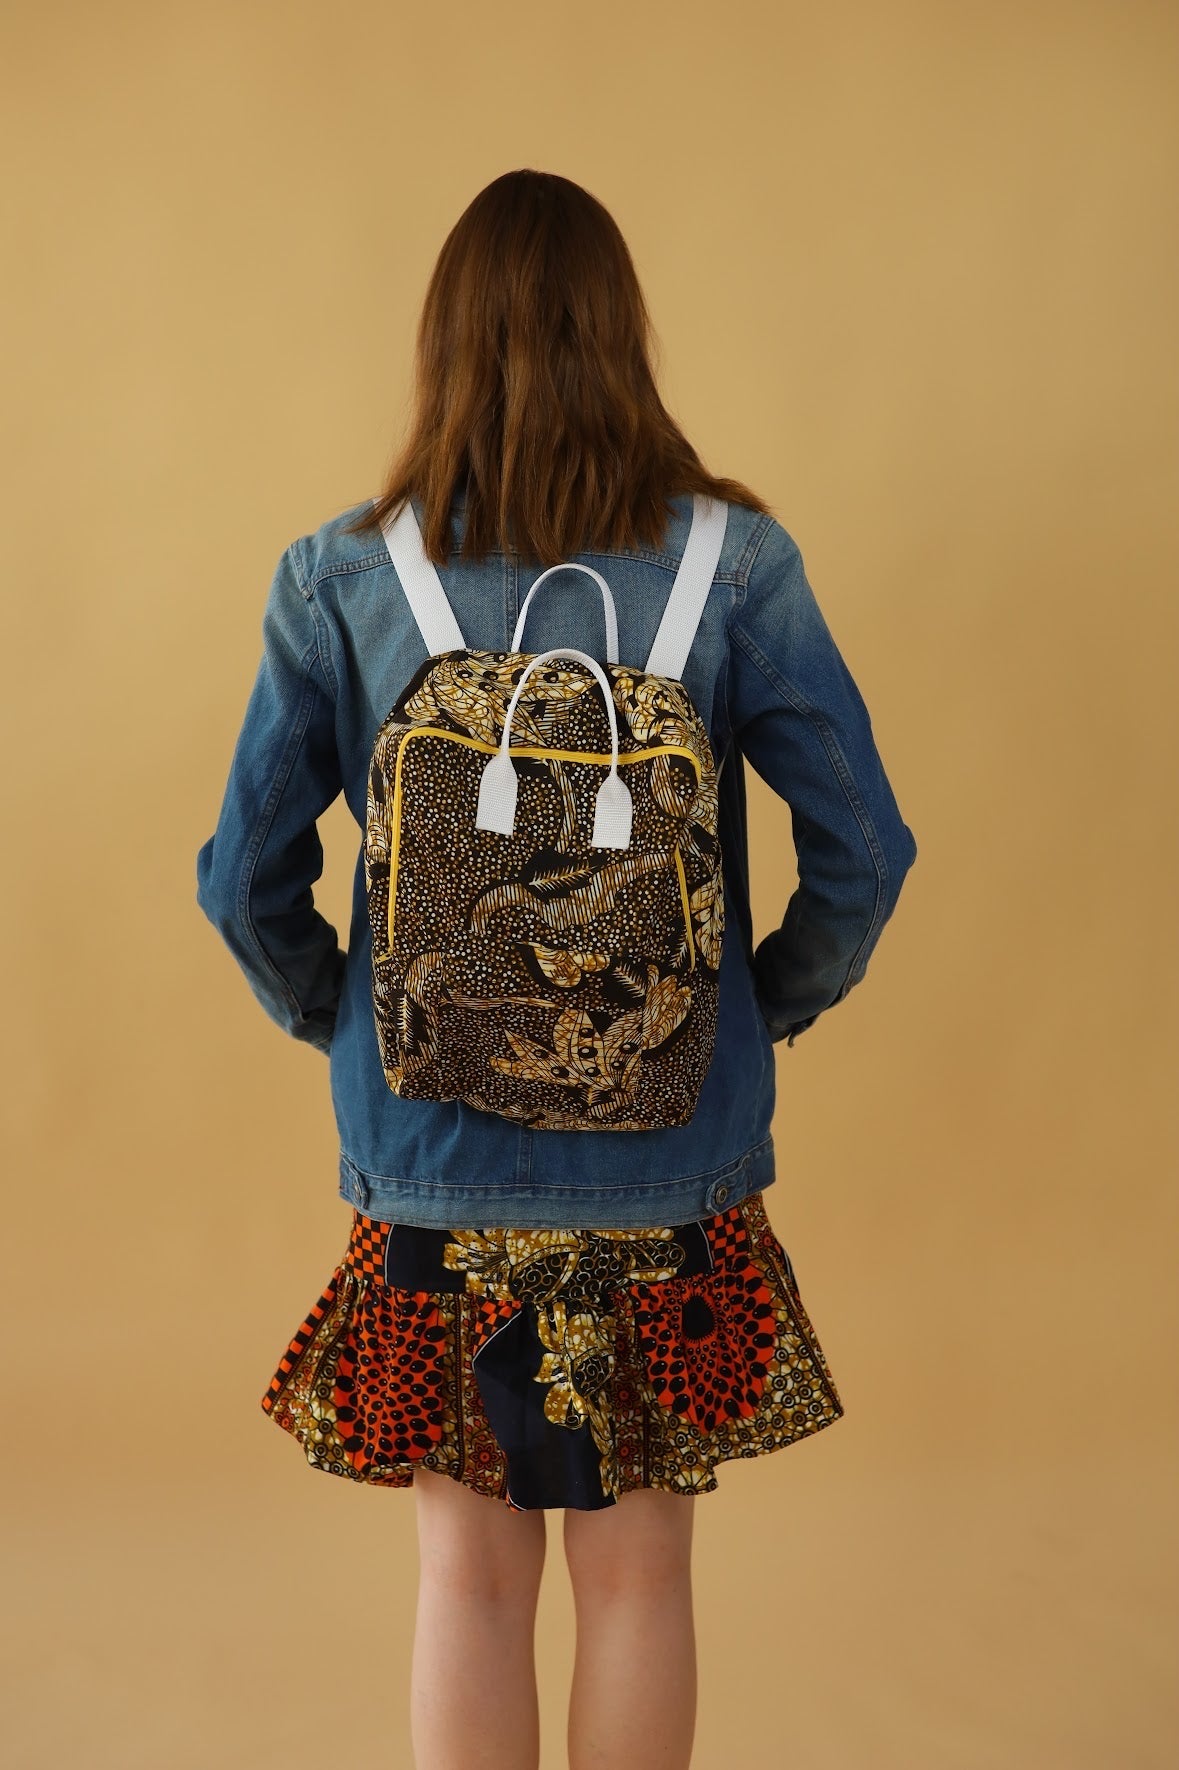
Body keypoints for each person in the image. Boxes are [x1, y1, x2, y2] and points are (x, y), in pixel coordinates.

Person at [195, 167, 917, 1770]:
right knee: (642, 1577)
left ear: (442, 346)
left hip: (431, 1158)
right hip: (671, 1150)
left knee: (466, 1579)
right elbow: (866, 852)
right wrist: (759, 1001)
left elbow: (240, 881)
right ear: (624, 338)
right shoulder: (737, 566)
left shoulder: (341, 577)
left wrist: (345, 1018)